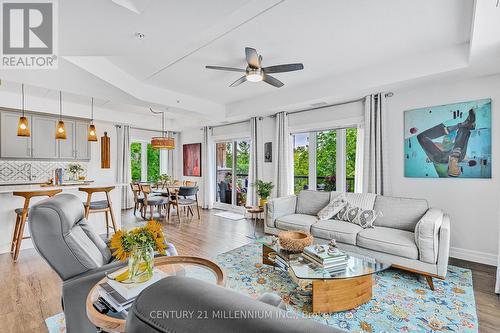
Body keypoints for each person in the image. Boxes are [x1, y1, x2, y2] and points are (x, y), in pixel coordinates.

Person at [417, 109, 475, 177]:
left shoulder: (438, 159)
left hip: (440, 159)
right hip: (451, 153)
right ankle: (465, 125)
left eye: (454, 170)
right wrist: (465, 125)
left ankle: (447, 130)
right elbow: (462, 135)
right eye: (457, 168)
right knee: (459, 151)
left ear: (449, 169)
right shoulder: (461, 156)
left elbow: (424, 139)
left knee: (421, 137)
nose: (457, 167)